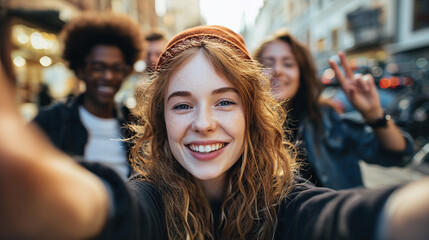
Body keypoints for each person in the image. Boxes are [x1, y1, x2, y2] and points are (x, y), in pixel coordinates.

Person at [1, 26, 428, 240]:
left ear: (252, 115)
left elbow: (340, 219)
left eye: (225, 101)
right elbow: (115, 210)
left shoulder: (284, 197)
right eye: (182, 104)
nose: (203, 123)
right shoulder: (149, 194)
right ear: (159, 119)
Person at [253, 31, 414, 189]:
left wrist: (374, 114)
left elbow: (399, 154)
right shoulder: (244, 125)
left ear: (301, 74)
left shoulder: (327, 118)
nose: (278, 70)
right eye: (267, 64)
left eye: (288, 64)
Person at [32, 12, 144, 179]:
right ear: (80, 70)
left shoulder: (135, 126)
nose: (108, 76)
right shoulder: (50, 122)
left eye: (117, 68)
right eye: (98, 68)